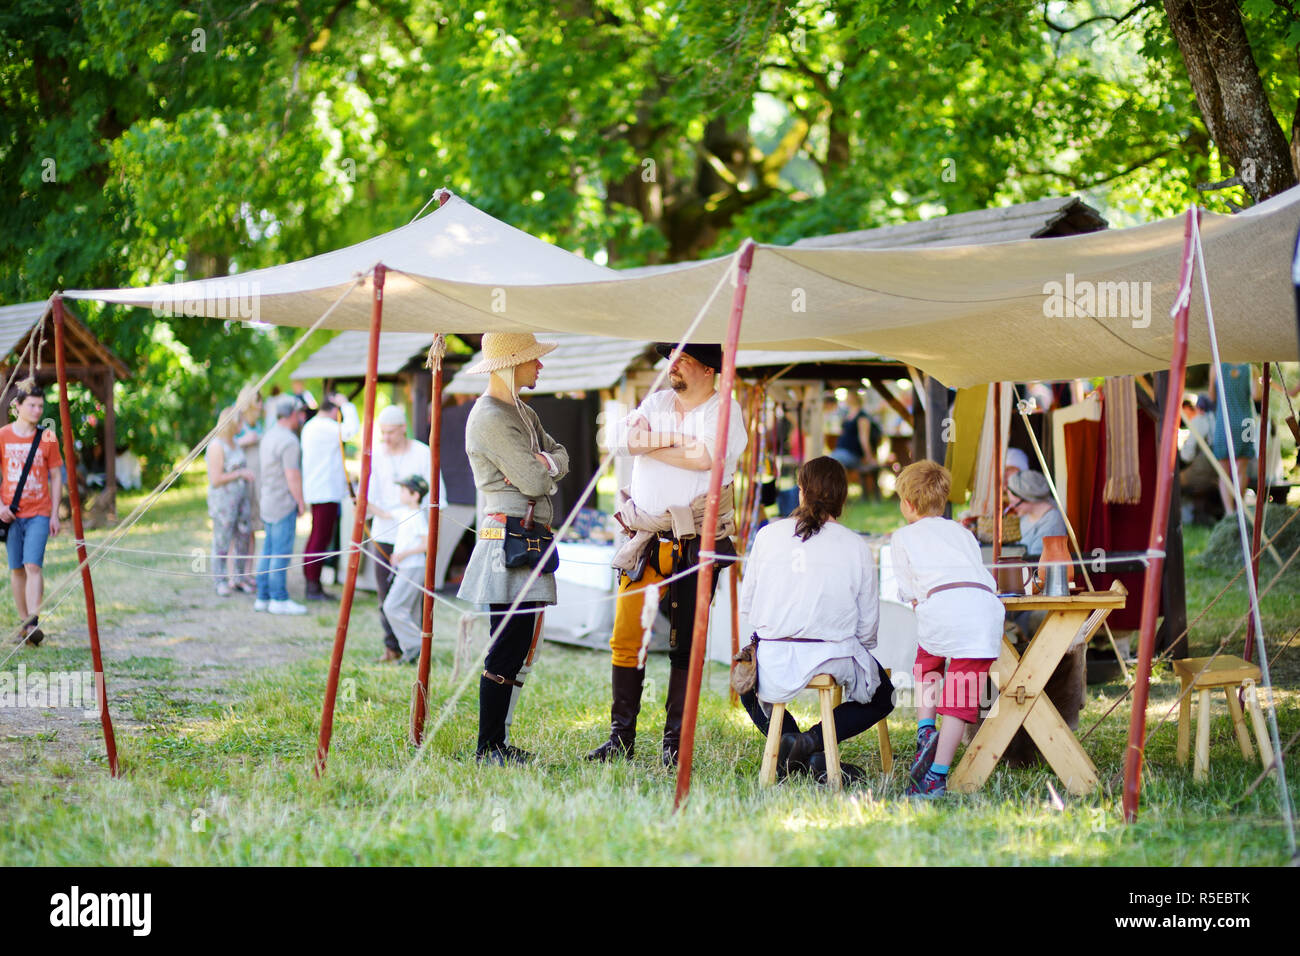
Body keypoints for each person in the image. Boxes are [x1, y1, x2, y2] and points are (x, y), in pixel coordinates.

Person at [586, 341, 746, 766]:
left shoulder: (723, 411)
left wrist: (650, 443)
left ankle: (675, 744)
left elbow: (705, 457)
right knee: (626, 638)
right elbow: (621, 441)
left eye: (685, 360)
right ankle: (621, 738)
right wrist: (675, 437)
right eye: (672, 357)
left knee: (686, 644)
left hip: (694, 544)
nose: (673, 365)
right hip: (644, 539)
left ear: (709, 370)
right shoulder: (657, 400)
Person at [737, 456, 894, 784]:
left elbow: (748, 605)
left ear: (801, 491)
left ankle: (796, 744)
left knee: (745, 686)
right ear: (842, 497)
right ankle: (810, 745)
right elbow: (867, 627)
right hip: (833, 654)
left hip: (775, 656)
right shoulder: (855, 545)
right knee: (885, 695)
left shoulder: (768, 535)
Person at [457, 332, 568, 765]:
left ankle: (496, 742)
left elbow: (560, 456)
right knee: (506, 643)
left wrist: (545, 461)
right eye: (533, 360)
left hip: (525, 534)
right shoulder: (490, 417)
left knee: (519, 640)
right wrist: (542, 466)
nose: (539, 366)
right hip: (507, 535)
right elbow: (537, 481)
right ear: (512, 364)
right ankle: (488, 747)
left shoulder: (523, 411)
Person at [891, 460, 1004, 799]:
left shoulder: (904, 537)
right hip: (984, 612)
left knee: (928, 658)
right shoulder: (963, 533)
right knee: (961, 693)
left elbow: (909, 592)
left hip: (941, 609)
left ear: (908, 504)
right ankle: (936, 776)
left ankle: (926, 729)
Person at [0, 383, 63, 646]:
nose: (38, 410)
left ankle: (33, 622)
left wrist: (55, 513)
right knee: (17, 569)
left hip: (39, 511)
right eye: (32, 405)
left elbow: (57, 474)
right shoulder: (3, 436)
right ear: (17, 407)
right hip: (11, 513)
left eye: (40, 406)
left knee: (33, 565)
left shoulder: (47, 437)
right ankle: (24, 622)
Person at [368, 404, 431, 662]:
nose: (386, 438)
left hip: (413, 534)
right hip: (385, 532)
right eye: (382, 433)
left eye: (391, 432)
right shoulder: (376, 454)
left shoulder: (422, 453)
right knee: (385, 593)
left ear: (403, 429)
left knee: (413, 596)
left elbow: (435, 497)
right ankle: (391, 647)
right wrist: (383, 514)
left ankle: (416, 648)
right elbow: (368, 497)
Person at [300, 393, 360, 600]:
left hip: (320, 488)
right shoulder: (324, 427)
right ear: (334, 411)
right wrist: (347, 406)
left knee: (318, 535)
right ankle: (313, 584)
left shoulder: (311, 426)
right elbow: (351, 430)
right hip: (324, 490)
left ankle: (312, 580)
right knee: (320, 537)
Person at [254, 394, 308, 615]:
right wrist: (301, 502)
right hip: (282, 502)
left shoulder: (268, 436)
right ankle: (278, 598)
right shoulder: (289, 440)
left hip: (267, 499)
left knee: (267, 550)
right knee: (281, 551)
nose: (302, 417)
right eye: (300, 413)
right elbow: (292, 475)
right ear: (292, 414)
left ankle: (263, 597)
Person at [371, 474, 430, 663]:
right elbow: (384, 514)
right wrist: (360, 501)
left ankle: (414, 646)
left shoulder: (418, 516)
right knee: (406, 610)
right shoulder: (404, 512)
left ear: (415, 495)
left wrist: (403, 554)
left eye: (404, 490)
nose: (400, 493)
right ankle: (413, 649)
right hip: (405, 568)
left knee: (392, 606)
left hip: (413, 567)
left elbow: (426, 544)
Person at [206, 407, 255, 597]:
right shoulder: (217, 446)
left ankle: (239, 578)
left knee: (243, 537)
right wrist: (240, 474)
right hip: (224, 503)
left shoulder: (235, 443)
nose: (242, 426)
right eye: (239, 422)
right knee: (222, 539)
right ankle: (220, 580)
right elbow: (216, 479)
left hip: (241, 500)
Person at [1208, 362, 1256, 516]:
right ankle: (1239, 508)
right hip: (1246, 423)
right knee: (1241, 470)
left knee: (1224, 471)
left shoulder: (1216, 366)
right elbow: (1257, 396)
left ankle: (1229, 512)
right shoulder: (1251, 368)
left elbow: (1211, 396)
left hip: (1224, 422)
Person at [232, 387, 264, 594]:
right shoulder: (235, 420)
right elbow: (223, 444)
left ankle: (247, 573)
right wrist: (245, 440)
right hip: (239, 482)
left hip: (255, 481)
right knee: (238, 532)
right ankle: (235, 574)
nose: (261, 405)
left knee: (251, 530)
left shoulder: (257, 423)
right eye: (258, 401)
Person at [829, 391, 880, 500]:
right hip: (841, 452)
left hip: (852, 454)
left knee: (831, 463)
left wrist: (869, 457)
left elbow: (864, 439)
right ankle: (831, 496)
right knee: (828, 462)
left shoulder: (862, 417)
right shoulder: (847, 415)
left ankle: (835, 496)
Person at [1005, 469, 1067, 560]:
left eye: (1014, 502)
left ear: (1029, 499)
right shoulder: (1026, 516)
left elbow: (1037, 562)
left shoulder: (1052, 523)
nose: (1011, 506)